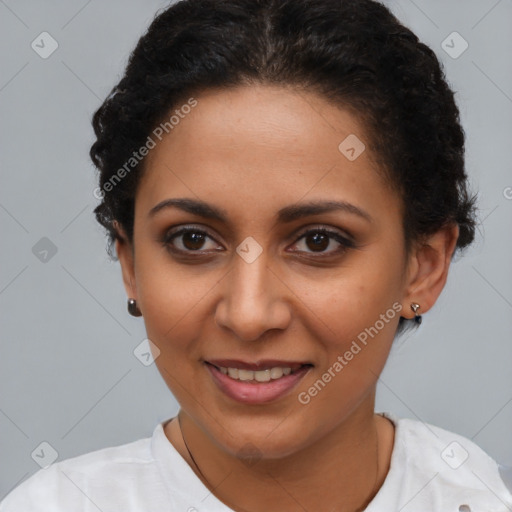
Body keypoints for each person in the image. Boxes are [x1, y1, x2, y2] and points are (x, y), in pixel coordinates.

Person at [2, 0, 511, 510]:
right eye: (193, 240)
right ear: (131, 265)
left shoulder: (477, 494)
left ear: (422, 267)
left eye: (318, 241)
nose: (248, 315)